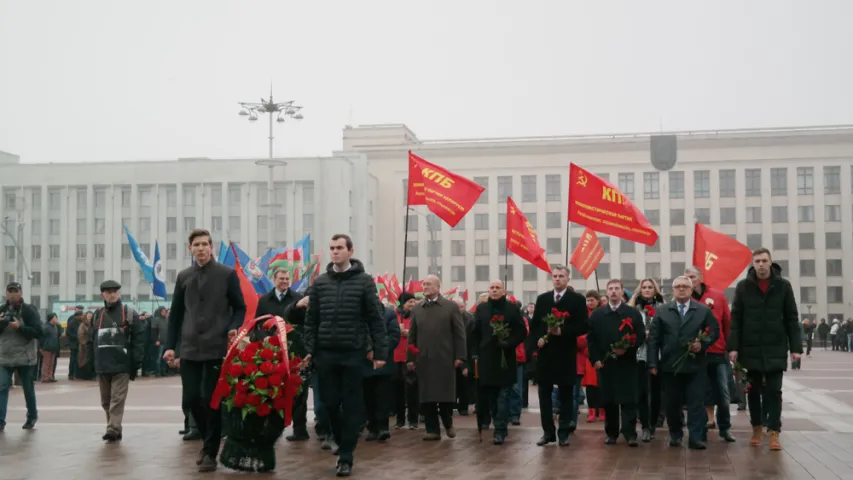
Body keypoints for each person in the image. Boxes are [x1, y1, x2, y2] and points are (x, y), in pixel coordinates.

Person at [302, 234, 388, 477]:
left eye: (340, 248)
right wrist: (311, 349)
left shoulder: (364, 282)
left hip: (353, 353)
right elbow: (311, 321)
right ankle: (341, 441)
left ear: (350, 251)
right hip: (326, 354)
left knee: (351, 406)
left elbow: (375, 318)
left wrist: (380, 351)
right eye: (332, 248)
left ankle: (346, 456)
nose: (335, 252)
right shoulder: (320, 283)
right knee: (328, 405)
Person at [163, 228, 247, 472]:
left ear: (211, 247)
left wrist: (232, 328)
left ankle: (210, 451)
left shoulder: (226, 274)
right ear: (190, 249)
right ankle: (207, 440)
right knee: (190, 399)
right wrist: (170, 346)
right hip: (189, 348)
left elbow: (240, 307)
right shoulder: (183, 276)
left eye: (204, 244)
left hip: (216, 347)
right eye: (196, 245)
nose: (200, 248)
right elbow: (175, 315)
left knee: (211, 399)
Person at [728, 248, 801, 451]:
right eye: (757, 261)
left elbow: (792, 318)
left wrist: (796, 348)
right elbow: (736, 319)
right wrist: (733, 347)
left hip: (775, 346)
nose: (761, 264)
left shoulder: (783, 286)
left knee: (774, 391)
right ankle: (757, 428)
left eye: (764, 260)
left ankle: (774, 431)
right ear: (753, 264)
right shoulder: (743, 287)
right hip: (750, 348)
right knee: (753, 392)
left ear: (770, 262)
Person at [646, 276, 720, 450]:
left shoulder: (702, 310)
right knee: (672, 403)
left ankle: (695, 437)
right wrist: (652, 363)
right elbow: (653, 340)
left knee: (695, 402)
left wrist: (703, 343)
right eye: (677, 286)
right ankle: (675, 434)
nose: (681, 289)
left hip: (696, 366)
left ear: (691, 289)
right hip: (671, 365)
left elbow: (714, 331)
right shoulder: (663, 311)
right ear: (673, 290)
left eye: (685, 286)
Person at [530, 265, 589, 447]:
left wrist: (562, 331)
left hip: (566, 353)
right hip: (546, 354)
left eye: (561, 276)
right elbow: (535, 325)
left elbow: (583, 326)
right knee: (544, 395)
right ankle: (548, 432)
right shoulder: (543, 299)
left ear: (567, 279)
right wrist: (539, 338)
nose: (557, 279)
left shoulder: (577, 300)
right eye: (554, 276)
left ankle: (563, 432)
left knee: (565, 394)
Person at [406, 274, 466, 442]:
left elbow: (459, 334)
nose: (425, 287)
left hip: (445, 358)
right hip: (423, 358)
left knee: (445, 395)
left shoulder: (450, 307)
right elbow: (412, 335)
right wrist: (410, 358)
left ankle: (448, 422)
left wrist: (460, 356)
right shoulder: (417, 309)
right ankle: (432, 430)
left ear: (438, 288)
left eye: (429, 284)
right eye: (424, 284)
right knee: (426, 396)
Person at [587, 279, 645, 447]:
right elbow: (592, 340)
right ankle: (611, 433)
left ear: (621, 292)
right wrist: (595, 359)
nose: (613, 291)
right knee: (609, 400)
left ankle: (630, 434)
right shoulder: (598, 314)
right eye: (610, 289)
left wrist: (628, 348)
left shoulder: (632, 313)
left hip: (627, 362)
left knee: (629, 400)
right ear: (606, 292)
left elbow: (640, 335)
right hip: (606, 364)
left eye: (617, 289)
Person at [684, 266, 736, 443]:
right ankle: (701, 429)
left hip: (718, 351)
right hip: (695, 353)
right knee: (697, 393)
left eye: (693, 276)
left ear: (701, 277)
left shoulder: (718, 296)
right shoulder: (684, 299)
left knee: (722, 392)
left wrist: (730, 347)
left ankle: (725, 428)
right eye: (687, 277)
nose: (690, 280)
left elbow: (727, 322)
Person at [256, 268, 309, 441]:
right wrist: (265, 340)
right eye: (281, 279)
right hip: (271, 351)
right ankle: (272, 427)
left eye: (287, 279)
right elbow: (257, 325)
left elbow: (305, 324)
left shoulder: (297, 299)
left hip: (294, 351)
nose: (285, 281)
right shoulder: (264, 301)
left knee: (298, 389)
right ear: (274, 279)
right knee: (272, 388)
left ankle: (300, 428)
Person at [471, 280, 526, 445]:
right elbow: (475, 333)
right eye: (491, 288)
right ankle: (497, 422)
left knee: (503, 396)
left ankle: (500, 430)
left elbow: (521, 331)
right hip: (487, 359)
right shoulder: (481, 309)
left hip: (505, 358)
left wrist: (509, 342)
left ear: (504, 291)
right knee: (492, 398)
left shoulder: (512, 308)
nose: (494, 290)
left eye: (497, 288)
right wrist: (474, 353)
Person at [91, 280, 145, 442]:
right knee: (105, 401)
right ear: (102, 295)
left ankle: (113, 428)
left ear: (119, 293)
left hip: (122, 365)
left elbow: (139, 340)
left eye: (115, 291)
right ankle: (114, 428)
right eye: (108, 292)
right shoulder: (97, 315)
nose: (112, 294)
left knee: (117, 399)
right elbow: (91, 340)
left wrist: (136, 362)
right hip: (102, 364)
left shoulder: (129, 313)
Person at [0, 281, 42, 431]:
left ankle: (32, 416)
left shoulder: (29, 310)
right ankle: (0, 421)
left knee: (28, 389)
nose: (12, 294)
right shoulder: (2, 309)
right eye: (10, 291)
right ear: (6, 293)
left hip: (26, 357)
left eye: (15, 291)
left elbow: (38, 332)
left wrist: (20, 327)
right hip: (5, 357)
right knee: (1, 387)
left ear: (21, 293)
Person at [627, 279, 665, 440]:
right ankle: (645, 425)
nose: (647, 290)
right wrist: (641, 334)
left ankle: (654, 422)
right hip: (639, 354)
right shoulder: (633, 309)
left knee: (656, 392)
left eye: (650, 287)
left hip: (658, 354)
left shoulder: (663, 308)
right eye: (644, 287)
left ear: (655, 290)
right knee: (642, 391)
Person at [362, 298, 400, 442]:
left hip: (384, 364)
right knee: (368, 398)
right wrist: (367, 350)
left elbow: (394, 336)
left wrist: (379, 352)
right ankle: (372, 428)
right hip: (365, 363)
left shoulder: (389, 314)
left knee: (383, 398)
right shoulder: (361, 314)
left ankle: (383, 427)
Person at [392, 292, 419, 430]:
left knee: (412, 390)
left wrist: (409, 332)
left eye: (414, 301)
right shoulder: (394, 316)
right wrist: (398, 330)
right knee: (398, 390)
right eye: (410, 302)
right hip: (396, 356)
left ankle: (413, 420)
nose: (413, 304)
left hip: (411, 357)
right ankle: (400, 419)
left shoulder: (417, 315)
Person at [39, 313, 62, 382]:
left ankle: (50, 376)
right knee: (46, 363)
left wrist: (59, 325)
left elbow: (58, 335)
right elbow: (41, 337)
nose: (56, 319)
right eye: (55, 317)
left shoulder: (55, 326)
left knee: (52, 363)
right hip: (47, 347)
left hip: (54, 347)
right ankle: (44, 377)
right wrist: (41, 346)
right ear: (51, 318)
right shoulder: (45, 327)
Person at [64, 306, 83, 380]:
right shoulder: (72, 321)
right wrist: (78, 337)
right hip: (74, 344)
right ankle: (71, 374)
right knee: (73, 359)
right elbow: (69, 333)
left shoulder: (79, 322)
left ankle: (76, 374)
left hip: (78, 343)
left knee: (78, 359)